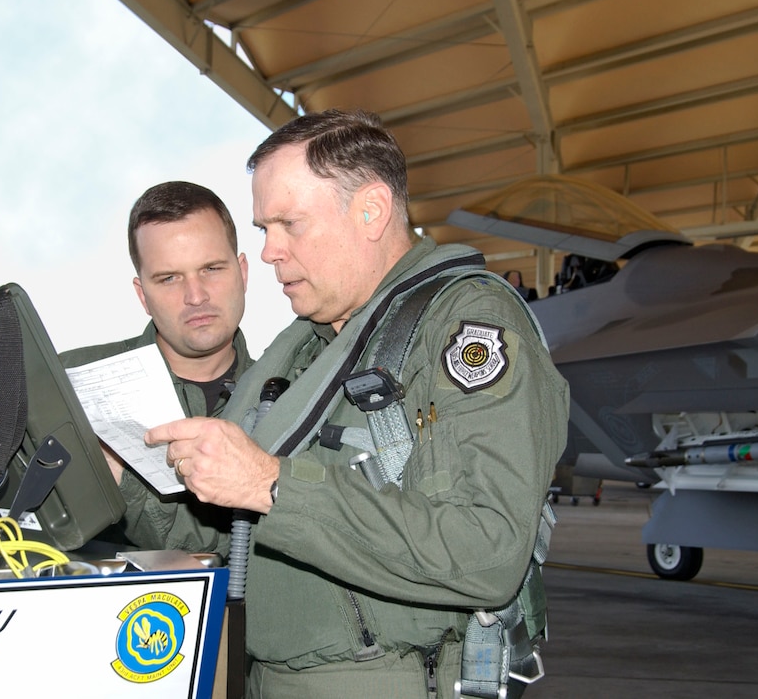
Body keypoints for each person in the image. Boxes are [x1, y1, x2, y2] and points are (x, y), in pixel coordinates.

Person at [119, 110, 569, 697]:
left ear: (372, 210)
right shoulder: (303, 351)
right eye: (263, 228)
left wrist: (273, 486)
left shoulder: (464, 327)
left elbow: (487, 552)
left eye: (289, 223)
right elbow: (209, 535)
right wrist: (123, 468)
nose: (271, 251)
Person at [58, 181, 253, 541]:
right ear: (142, 294)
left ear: (242, 273)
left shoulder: (293, 392)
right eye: (169, 278)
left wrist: (117, 469)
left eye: (211, 268)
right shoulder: (66, 382)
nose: (195, 296)